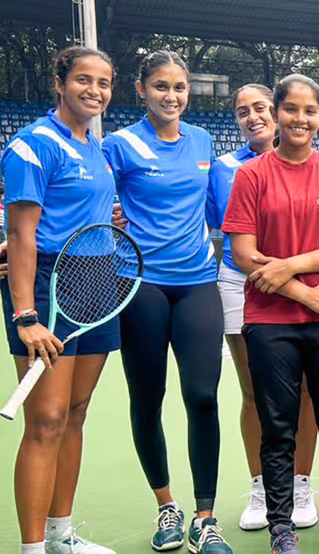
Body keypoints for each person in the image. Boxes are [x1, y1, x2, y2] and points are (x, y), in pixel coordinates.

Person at [224, 74, 319, 554]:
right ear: (276, 113)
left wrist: (288, 266)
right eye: (291, 109)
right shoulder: (251, 175)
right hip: (271, 322)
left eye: (310, 111)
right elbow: (245, 253)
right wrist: (305, 294)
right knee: (278, 427)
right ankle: (281, 530)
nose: (300, 119)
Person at [102, 51, 232, 554]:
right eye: (160, 86)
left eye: (179, 87)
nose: (171, 96)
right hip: (139, 283)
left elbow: (221, 208)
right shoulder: (120, 144)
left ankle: (205, 517)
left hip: (198, 281)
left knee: (202, 396)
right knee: (148, 398)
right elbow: (89, 194)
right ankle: (167, 508)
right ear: (141, 89)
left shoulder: (202, 141)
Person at [0, 46, 120, 554]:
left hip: (98, 277)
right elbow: (22, 236)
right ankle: (32, 549)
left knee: (76, 411)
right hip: (49, 285)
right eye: (84, 80)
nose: (94, 91)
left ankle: (60, 536)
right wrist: (25, 315)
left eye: (104, 83)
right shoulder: (32, 145)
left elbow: (81, 206)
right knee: (45, 421)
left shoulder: (94, 146)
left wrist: (107, 220)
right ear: (60, 82)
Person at [208, 84, 319, 531]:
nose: (252, 117)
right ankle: (262, 486)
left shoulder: (314, 165)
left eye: (259, 108)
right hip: (241, 281)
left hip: (304, 283)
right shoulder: (222, 168)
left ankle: (301, 483)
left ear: (274, 114)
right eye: (242, 112)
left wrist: (291, 278)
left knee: (308, 390)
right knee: (255, 392)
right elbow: (219, 232)